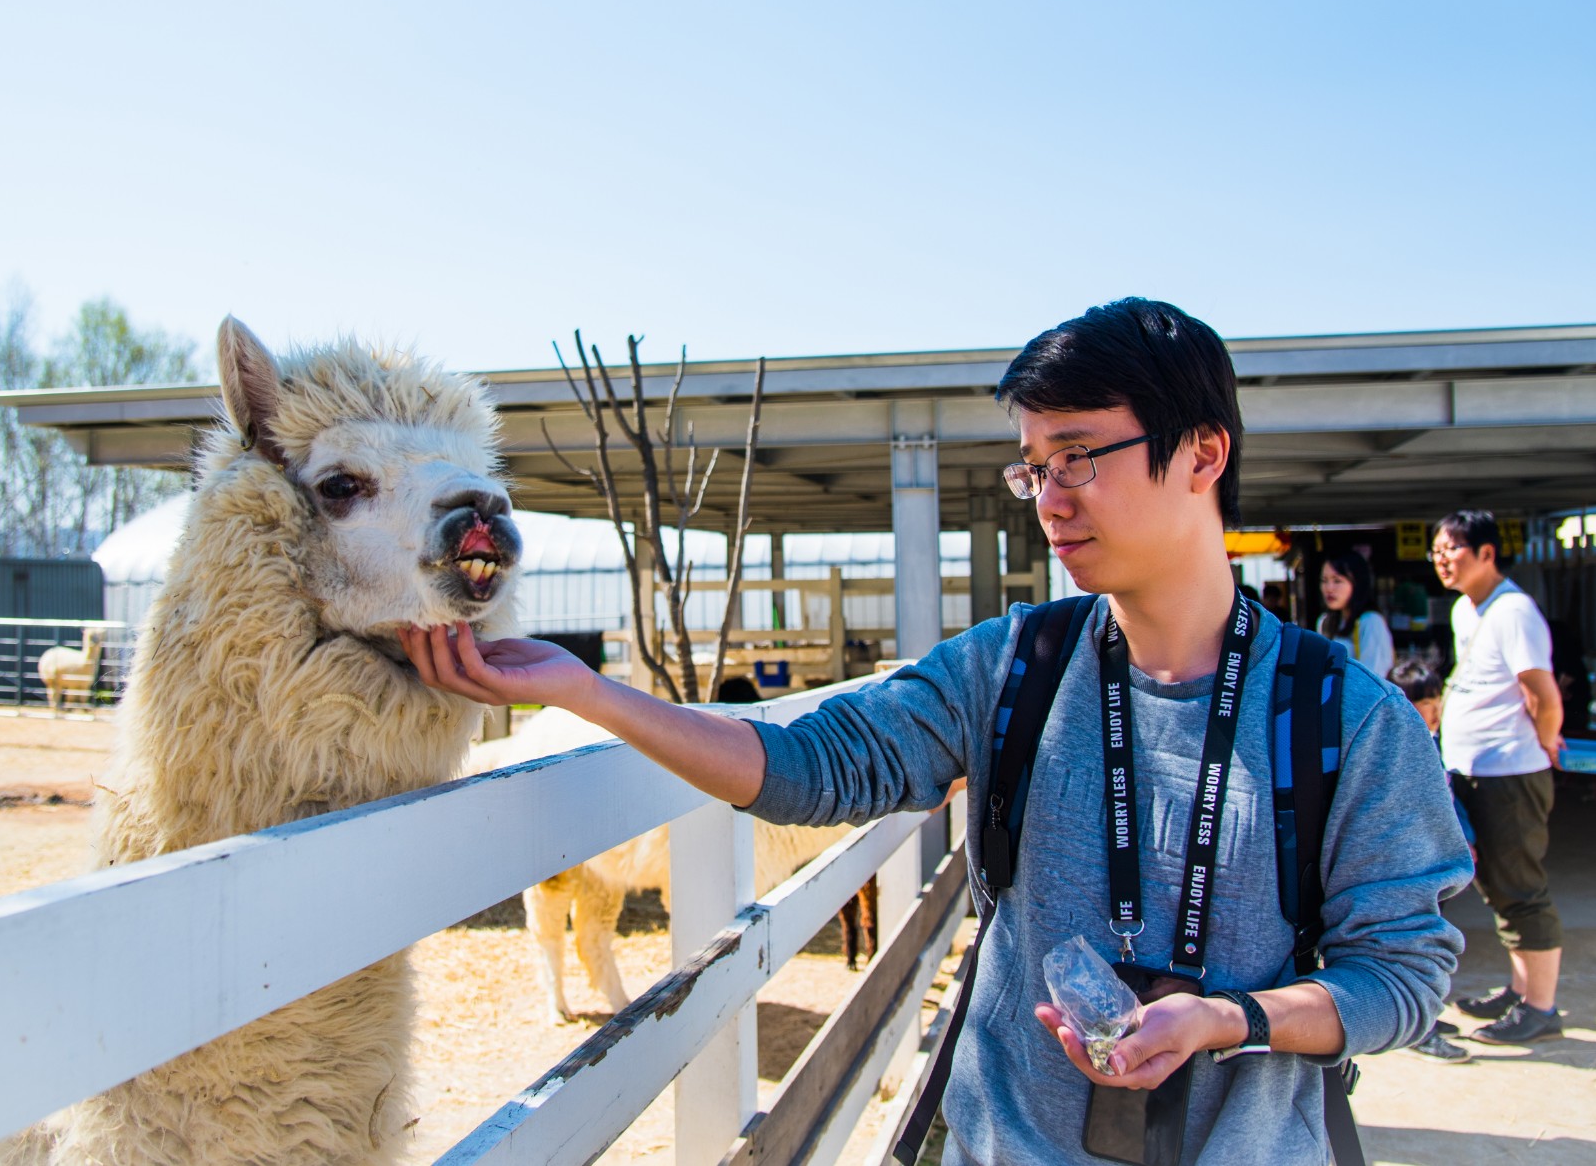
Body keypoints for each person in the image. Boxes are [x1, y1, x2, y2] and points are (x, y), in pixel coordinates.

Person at [401, 298, 1473, 1164]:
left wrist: (1226, 1018)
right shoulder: (1014, 667)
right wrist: (587, 690)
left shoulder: (1343, 719)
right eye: (1031, 464)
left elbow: (1403, 975)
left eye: (1080, 454)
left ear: (1201, 454)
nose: (1048, 496)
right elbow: (810, 766)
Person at [1431, 509, 1566, 1045]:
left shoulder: (1513, 611)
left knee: (1521, 889)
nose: (1442, 559)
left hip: (1510, 774)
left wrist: (1546, 742)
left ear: (1487, 553)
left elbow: (1542, 695)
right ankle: (1519, 990)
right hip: (1477, 771)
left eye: (1452, 549)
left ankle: (1541, 1008)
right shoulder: (1469, 608)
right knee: (1498, 888)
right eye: (1436, 550)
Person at [1386, 656, 1475, 1064]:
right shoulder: (1398, 750)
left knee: (1435, 938)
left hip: (1434, 860)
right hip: (1412, 865)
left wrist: (1465, 839)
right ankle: (1422, 1027)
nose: (1434, 709)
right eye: (1424, 702)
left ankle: (1429, 1013)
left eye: (1437, 699)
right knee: (1420, 944)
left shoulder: (1432, 743)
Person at [1318, 550, 1394, 677]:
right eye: (1324, 580)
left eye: (1337, 581)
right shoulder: (1325, 622)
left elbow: (1375, 679)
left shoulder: (1371, 621)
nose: (1329, 588)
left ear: (1357, 583)